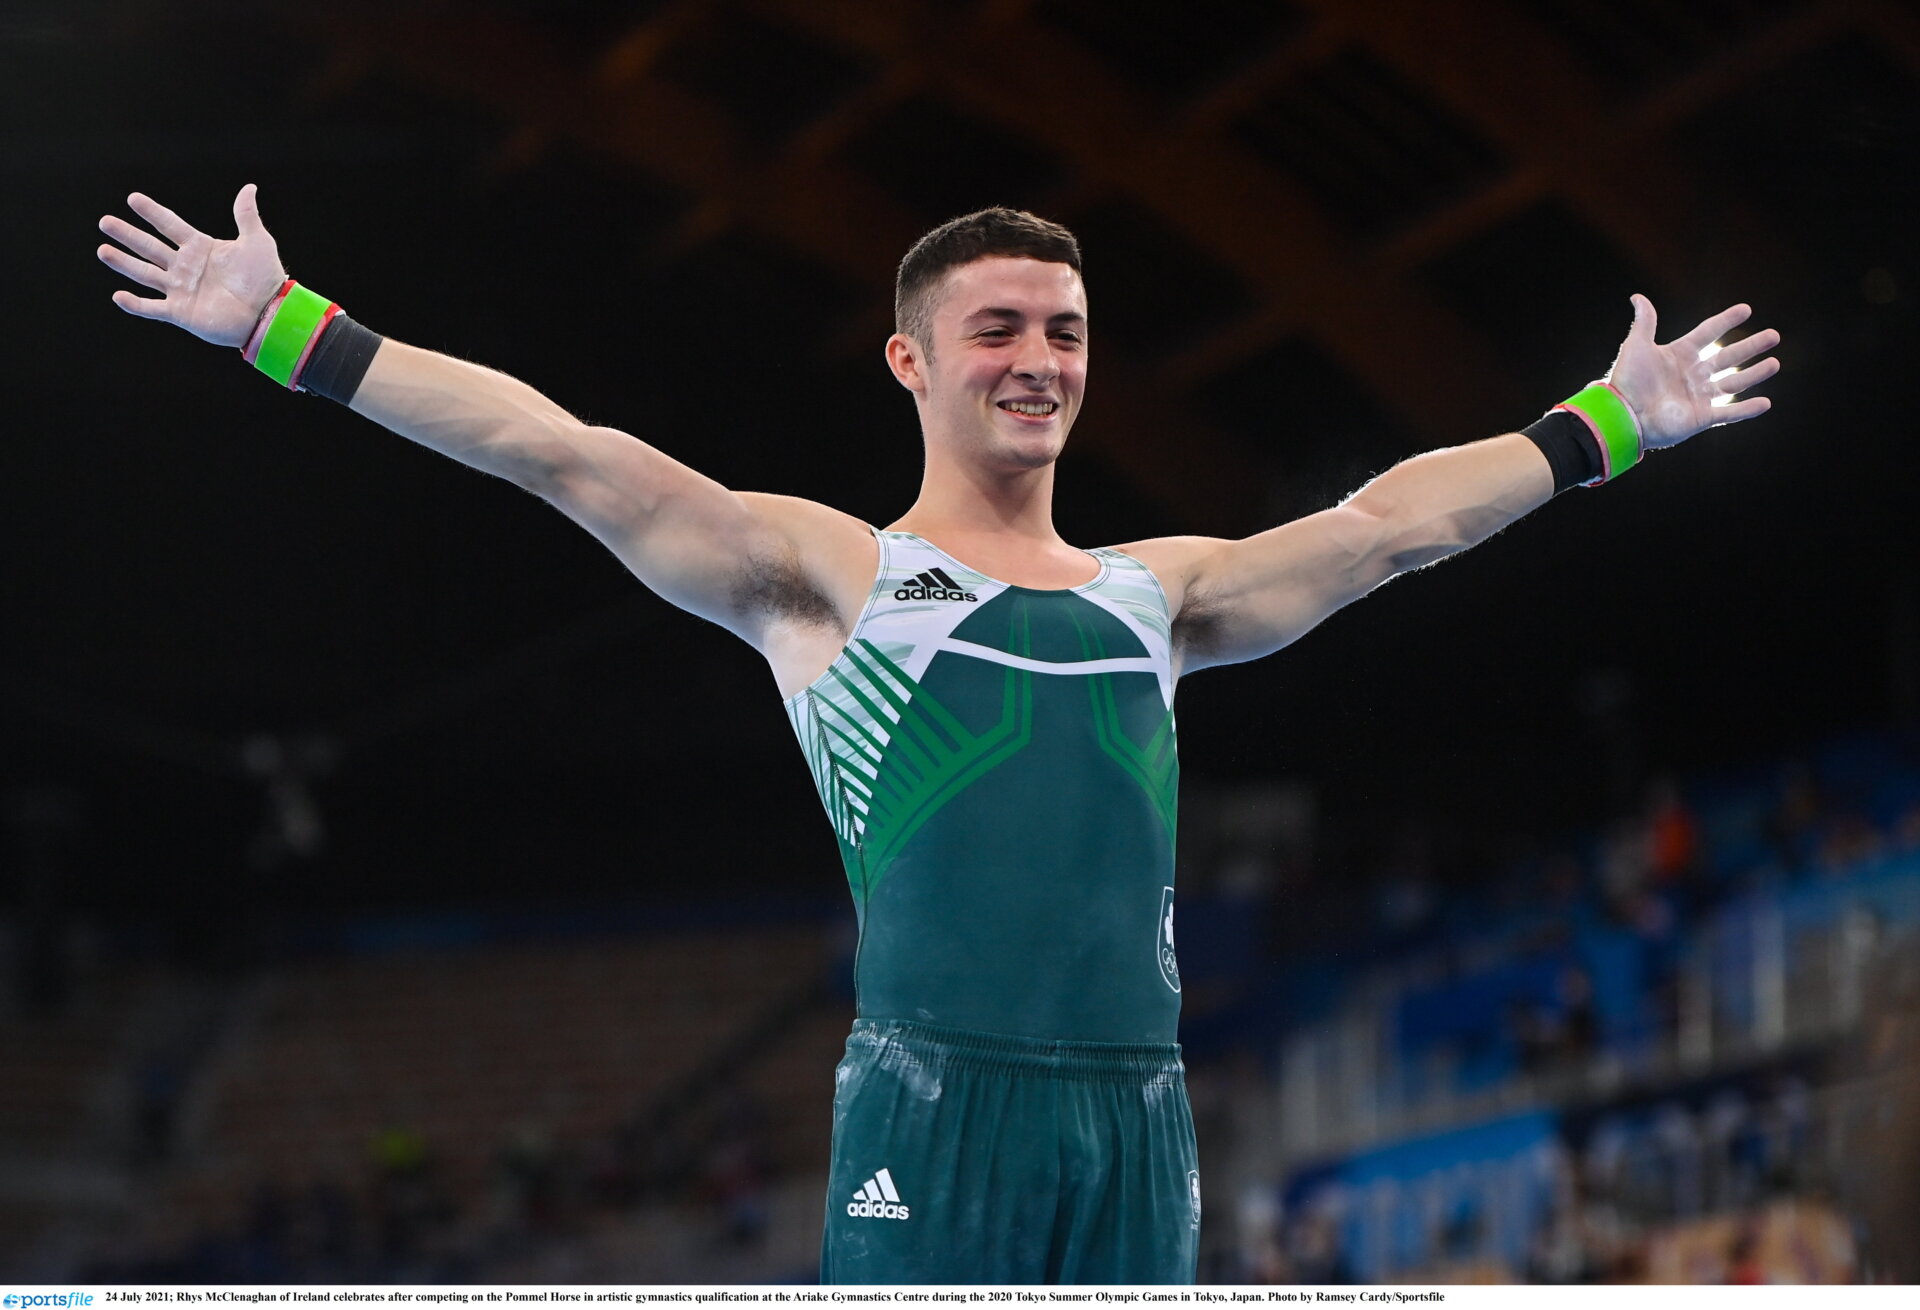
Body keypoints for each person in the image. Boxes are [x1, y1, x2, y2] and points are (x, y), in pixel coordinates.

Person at [96, 186, 1780, 1284]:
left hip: (1142, 1114)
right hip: (933, 1105)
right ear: (912, 357)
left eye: (1064, 332)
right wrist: (286, 328)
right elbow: (563, 451)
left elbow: (1389, 523)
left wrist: (1607, 424)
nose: (1038, 359)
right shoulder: (828, 574)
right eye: (998, 327)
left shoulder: (1159, 595)